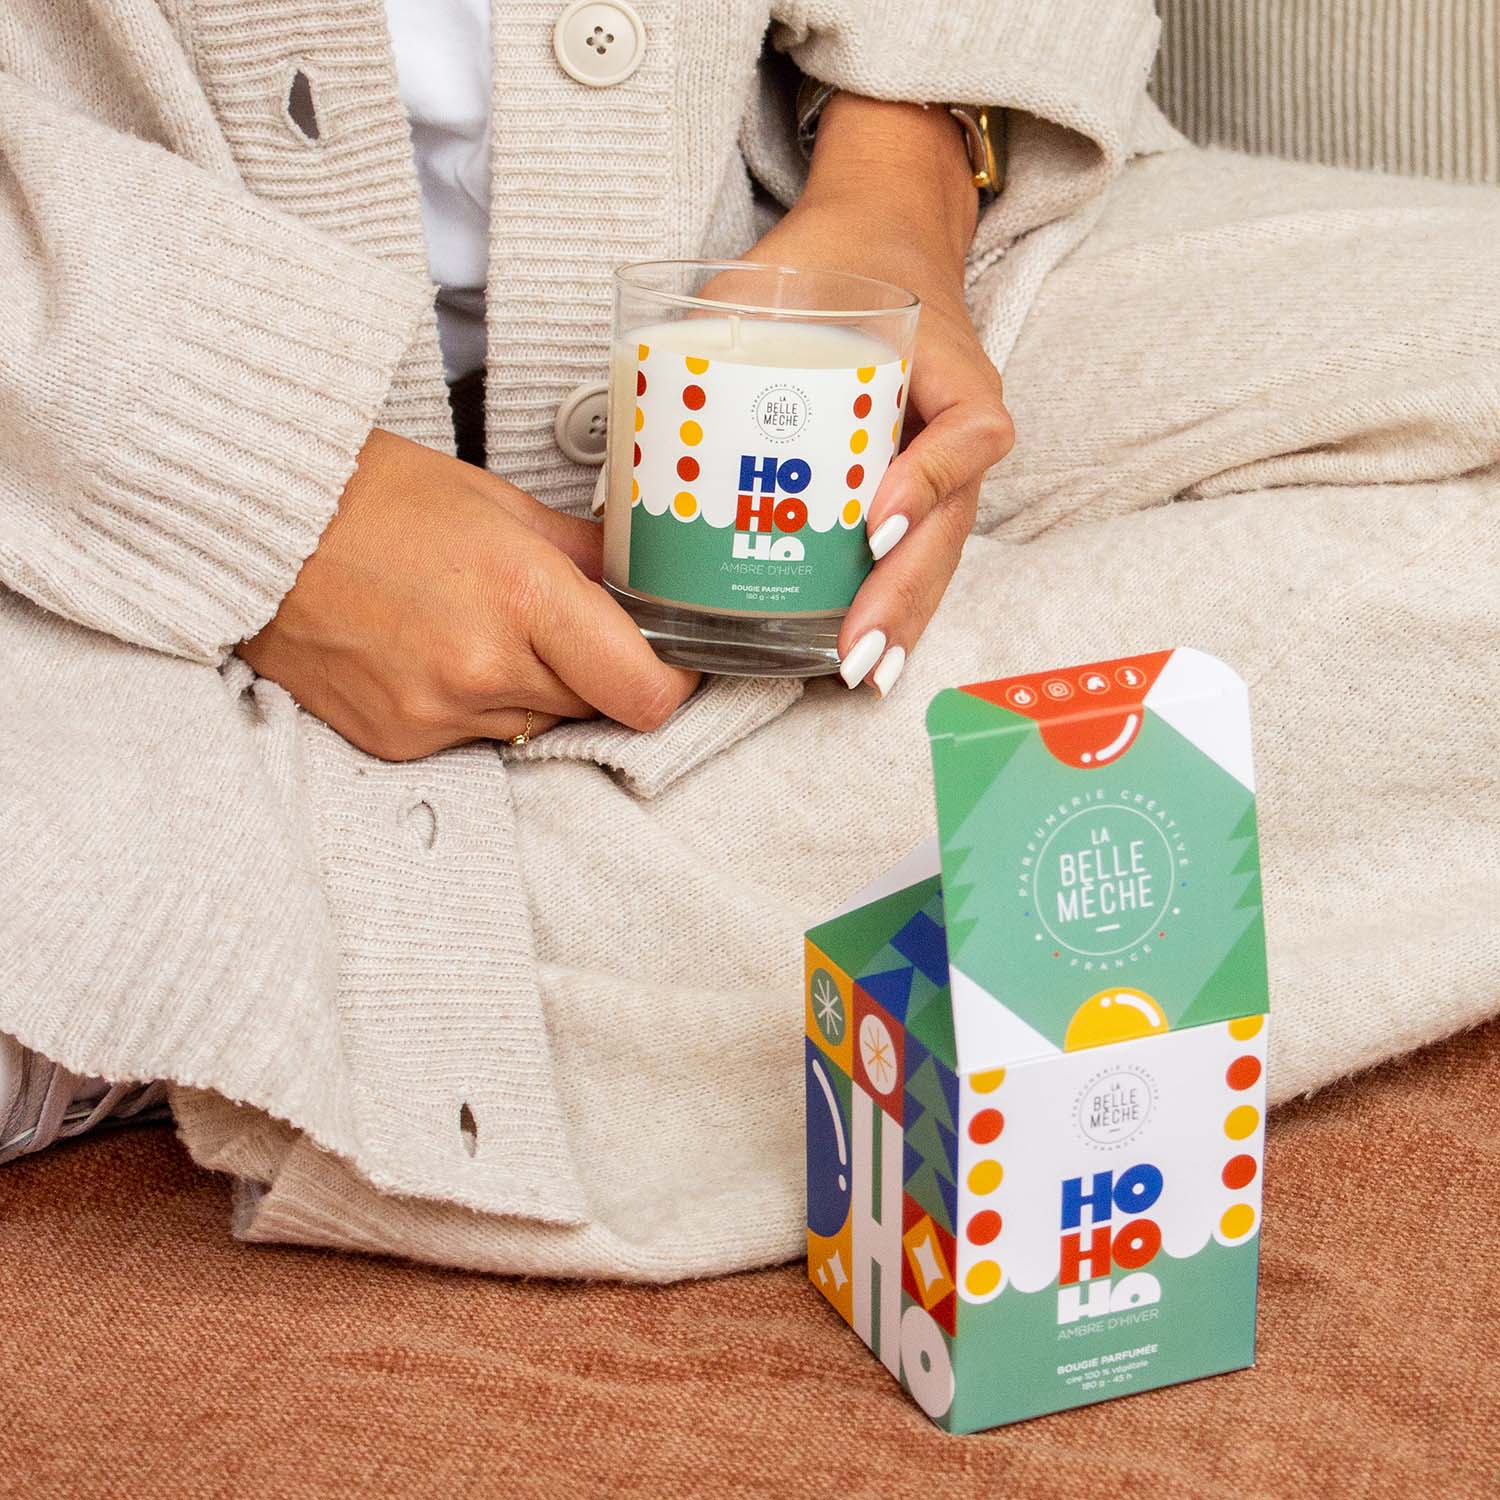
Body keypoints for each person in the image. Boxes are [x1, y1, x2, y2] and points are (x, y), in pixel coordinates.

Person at [3, 1, 1498, 1278]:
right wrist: (264, 493)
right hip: (67, 416)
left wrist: (908, 173)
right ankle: (310, 941)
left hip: (797, 239)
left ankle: (224, 949)